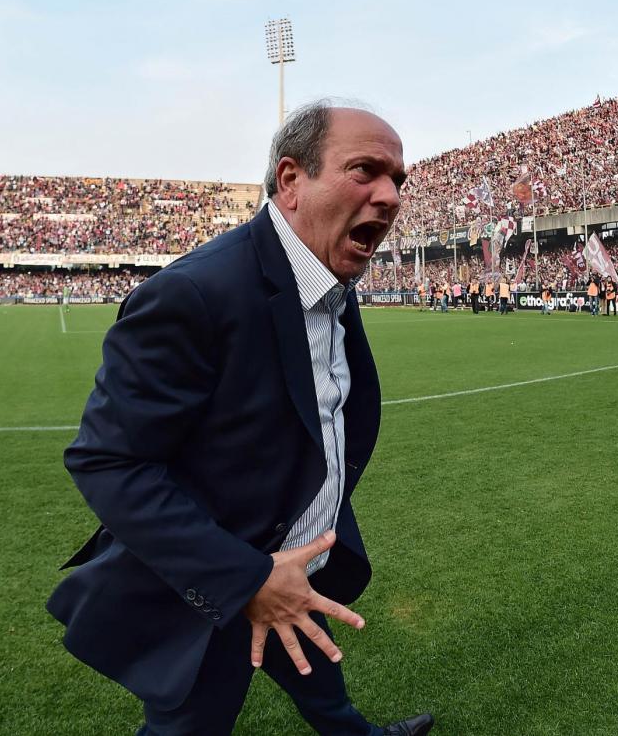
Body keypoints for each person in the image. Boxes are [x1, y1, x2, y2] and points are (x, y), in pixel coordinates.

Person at [47, 102, 433, 735]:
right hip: (218, 587)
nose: (390, 196)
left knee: (321, 683)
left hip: (290, 561)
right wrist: (249, 580)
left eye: (398, 179)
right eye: (365, 171)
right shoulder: (195, 293)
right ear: (291, 180)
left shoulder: (329, 275)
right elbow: (108, 461)